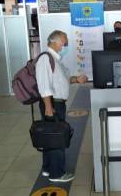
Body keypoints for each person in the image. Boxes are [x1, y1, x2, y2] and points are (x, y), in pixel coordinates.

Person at [35, 30, 88, 182]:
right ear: (55, 42)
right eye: (64, 42)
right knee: (57, 139)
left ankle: (47, 168)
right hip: (52, 104)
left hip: (56, 103)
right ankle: (57, 174)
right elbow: (44, 85)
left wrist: (76, 79)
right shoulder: (46, 59)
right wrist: (48, 107)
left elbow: (62, 80)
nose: (65, 45)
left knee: (49, 137)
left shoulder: (55, 59)